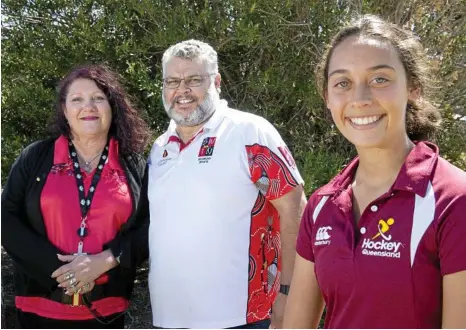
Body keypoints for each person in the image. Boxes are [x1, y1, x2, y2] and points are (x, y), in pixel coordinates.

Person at [282, 14, 466, 329]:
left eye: (379, 78)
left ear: (413, 88)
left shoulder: (453, 200)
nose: (360, 98)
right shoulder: (321, 206)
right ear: (328, 98)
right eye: (342, 83)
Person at [147, 39, 307, 329]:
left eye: (194, 80)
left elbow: (294, 208)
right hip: (168, 318)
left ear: (216, 81)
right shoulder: (159, 148)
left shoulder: (250, 132)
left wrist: (288, 294)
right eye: (172, 81)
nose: (181, 91)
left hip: (242, 318)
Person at [1, 64, 152, 328]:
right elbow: (6, 218)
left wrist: (105, 261)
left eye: (98, 98)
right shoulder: (36, 157)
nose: (88, 106)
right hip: (39, 308)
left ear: (112, 107)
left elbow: (148, 227)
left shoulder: (133, 164)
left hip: (108, 309)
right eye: (77, 99)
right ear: (64, 109)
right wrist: (65, 274)